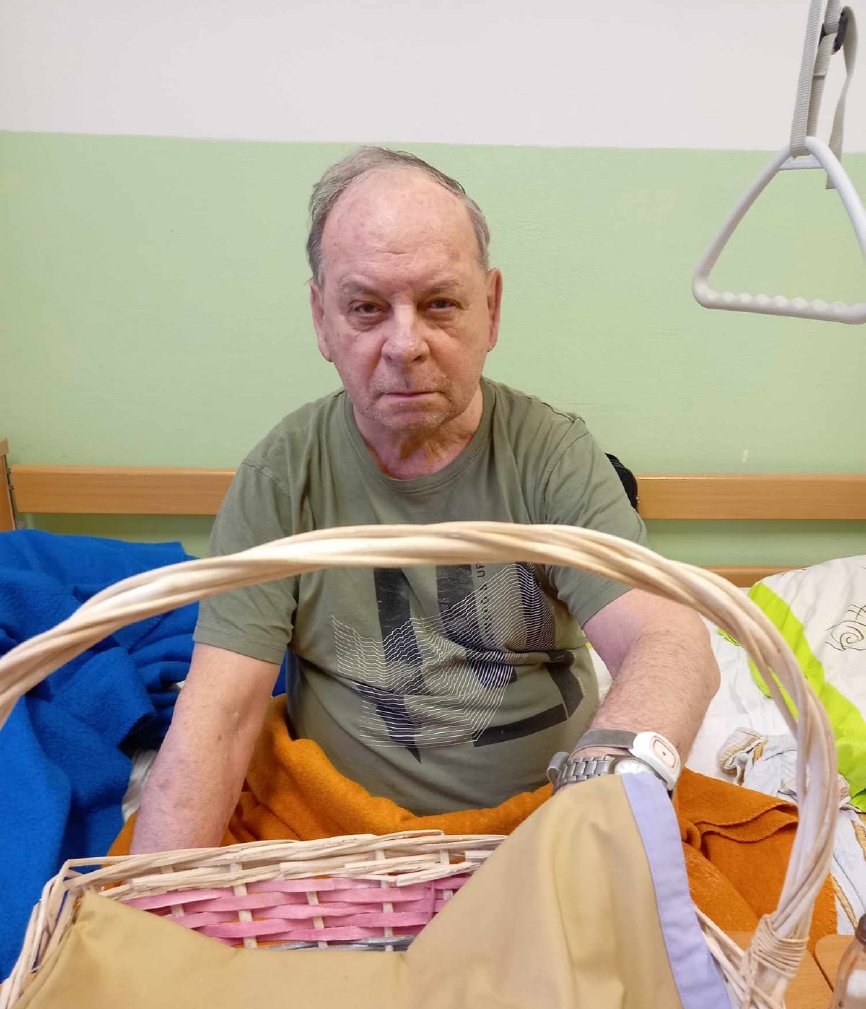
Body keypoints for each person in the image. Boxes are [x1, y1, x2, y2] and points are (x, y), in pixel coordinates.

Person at [131, 147, 718, 852]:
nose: (405, 344)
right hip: (339, 838)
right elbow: (221, 717)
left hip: (545, 825)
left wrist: (597, 808)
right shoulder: (282, 478)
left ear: (490, 309)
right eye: (366, 308)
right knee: (132, 894)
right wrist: (151, 901)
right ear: (321, 319)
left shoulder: (552, 456)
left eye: (439, 303)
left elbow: (669, 639)